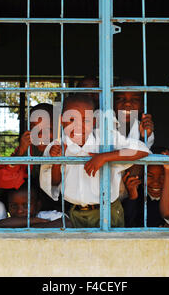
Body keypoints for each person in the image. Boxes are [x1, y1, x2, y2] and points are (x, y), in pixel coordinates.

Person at [39, 94, 150, 228]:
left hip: (108, 212)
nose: (78, 126)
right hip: (75, 213)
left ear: (94, 122)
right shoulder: (56, 147)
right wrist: (57, 161)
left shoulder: (105, 140)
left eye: (85, 121)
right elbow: (54, 183)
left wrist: (104, 157)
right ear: (62, 121)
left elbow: (142, 150)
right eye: (72, 119)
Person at [121, 149, 169, 227]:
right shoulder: (137, 194)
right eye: (149, 176)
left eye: (162, 176)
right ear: (142, 176)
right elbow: (127, 224)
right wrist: (132, 197)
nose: (156, 182)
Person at [0, 182, 72, 228]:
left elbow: (67, 223)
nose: (19, 211)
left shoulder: (46, 215)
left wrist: (28, 227)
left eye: (26, 206)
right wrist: (36, 221)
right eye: (14, 206)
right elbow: (1, 224)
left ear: (38, 205)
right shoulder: (9, 220)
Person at [113, 79, 155, 149]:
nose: (127, 103)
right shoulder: (103, 127)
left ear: (142, 106)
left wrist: (143, 138)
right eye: (119, 98)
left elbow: (142, 153)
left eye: (135, 99)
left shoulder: (146, 129)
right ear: (111, 102)